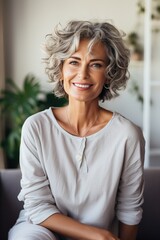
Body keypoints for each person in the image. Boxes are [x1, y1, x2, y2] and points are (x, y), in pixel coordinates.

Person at [8, 20, 145, 240]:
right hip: (40, 229)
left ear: (108, 74)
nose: (82, 74)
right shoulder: (36, 127)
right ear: (61, 70)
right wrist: (99, 236)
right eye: (73, 62)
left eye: (96, 64)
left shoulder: (127, 135)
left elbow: (130, 207)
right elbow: (37, 206)